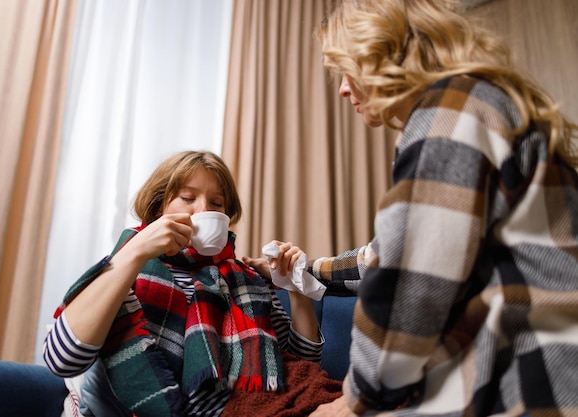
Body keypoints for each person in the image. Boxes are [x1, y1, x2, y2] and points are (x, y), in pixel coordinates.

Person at [250, 0, 578, 416]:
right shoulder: (472, 103)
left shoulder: (449, 116)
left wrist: (352, 402)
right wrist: (303, 271)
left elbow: (410, 289)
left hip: (534, 383)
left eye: (347, 69)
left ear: (382, 54)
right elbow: (382, 257)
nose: (343, 88)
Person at [43, 150, 341, 417]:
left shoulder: (247, 279)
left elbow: (299, 369)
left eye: (217, 202)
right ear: (159, 206)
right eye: (188, 198)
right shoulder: (123, 267)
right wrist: (136, 251)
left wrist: (295, 288)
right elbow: (62, 359)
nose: (204, 210)